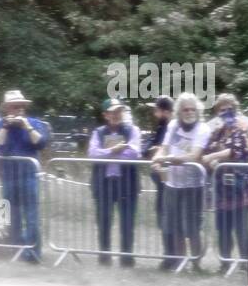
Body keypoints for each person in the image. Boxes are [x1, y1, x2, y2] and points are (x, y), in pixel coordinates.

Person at [0, 90, 51, 262]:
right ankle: (16, 250)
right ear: (7, 108)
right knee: (12, 215)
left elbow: (41, 143)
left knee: (31, 215)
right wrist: (5, 127)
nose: (19, 109)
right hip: (8, 176)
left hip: (29, 175)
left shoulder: (34, 123)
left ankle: (31, 253)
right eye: (15, 106)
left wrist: (27, 126)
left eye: (22, 106)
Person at [151, 92, 210, 270]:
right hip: (172, 183)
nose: (189, 112)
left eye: (192, 109)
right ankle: (180, 262)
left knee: (192, 228)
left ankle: (196, 264)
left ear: (197, 110)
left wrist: (166, 159)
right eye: (185, 109)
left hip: (194, 185)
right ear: (179, 111)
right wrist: (157, 159)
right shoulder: (173, 125)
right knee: (175, 226)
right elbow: (164, 147)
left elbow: (194, 155)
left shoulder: (203, 128)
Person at [202, 96, 248, 271]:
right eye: (222, 110)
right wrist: (211, 159)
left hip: (240, 187)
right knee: (223, 229)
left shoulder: (242, 128)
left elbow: (235, 149)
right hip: (221, 190)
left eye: (229, 109)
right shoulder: (217, 132)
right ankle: (224, 263)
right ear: (217, 112)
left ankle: (247, 265)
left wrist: (213, 157)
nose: (226, 113)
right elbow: (206, 150)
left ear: (235, 109)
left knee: (241, 229)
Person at [86, 98, 142, 266]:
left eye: (119, 111)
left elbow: (135, 153)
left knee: (127, 222)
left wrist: (107, 153)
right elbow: (92, 154)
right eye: (113, 112)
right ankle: (104, 258)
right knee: (103, 221)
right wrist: (114, 150)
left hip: (127, 183)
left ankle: (127, 259)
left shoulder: (133, 130)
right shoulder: (98, 132)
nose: (117, 114)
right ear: (105, 115)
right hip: (104, 183)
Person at [143, 95, 174, 226]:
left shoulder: (173, 128)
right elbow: (145, 150)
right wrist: (152, 149)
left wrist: (157, 150)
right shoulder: (161, 127)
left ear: (165, 112)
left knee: (168, 216)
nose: (155, 114)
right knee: (161, 213)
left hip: (171, 178)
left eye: (156, 110)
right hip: (161, 178)